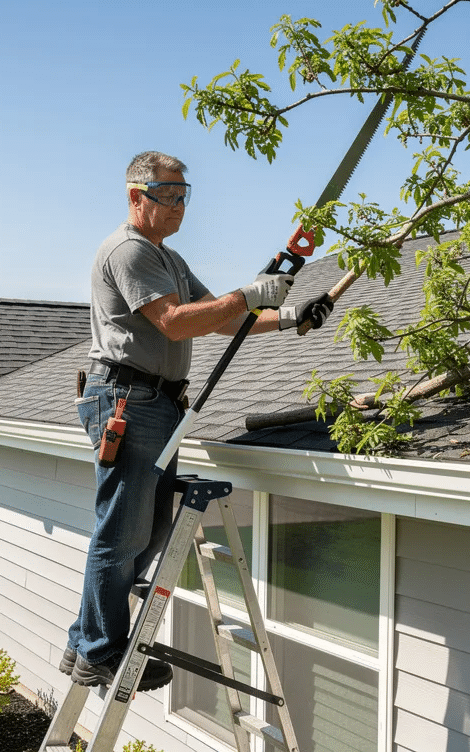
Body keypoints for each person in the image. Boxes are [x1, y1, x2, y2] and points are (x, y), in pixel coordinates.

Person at [60, 150, 334, 690]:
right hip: (126, 401)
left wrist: (290, 318)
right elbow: (175, 323)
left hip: (159, 404)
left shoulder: (169, 259)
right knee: (124, 532)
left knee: (149, 530)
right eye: (169, 196)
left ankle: (83, 642)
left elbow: (223, 318)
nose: (180, 206)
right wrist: (249, 292)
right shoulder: (128, 251)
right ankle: (99, 651)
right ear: (136, 196)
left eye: (185, 195)